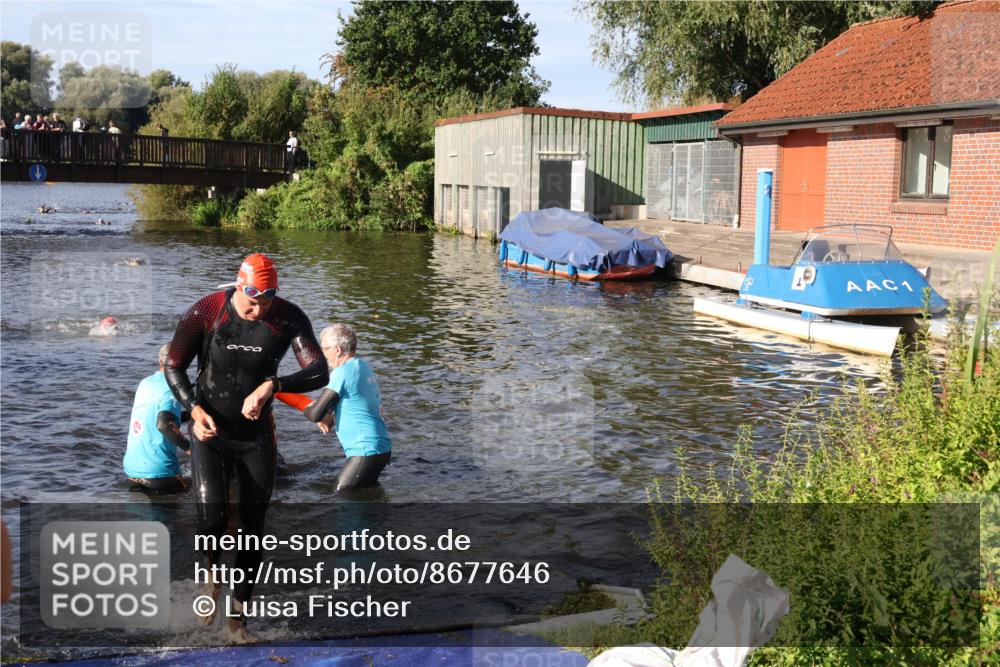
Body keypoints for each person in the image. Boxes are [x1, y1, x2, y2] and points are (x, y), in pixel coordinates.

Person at [164, 252, 328, 643]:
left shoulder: (288, 317)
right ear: (239, 286)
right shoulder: (207, 310)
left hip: (256, 435)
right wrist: (193, 407)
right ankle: (211, 577)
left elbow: (319, 370)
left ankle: (238, 621)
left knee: (254, 531)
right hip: (209, 430)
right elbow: (174, 365)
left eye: (266, 302)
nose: (258, 310)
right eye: (252, 301)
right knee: (213, 518)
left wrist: (275, 385)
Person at [303, 324, 392, 491]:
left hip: (365, 451)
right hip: (381, 449)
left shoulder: (341, 372)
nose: (323, 355)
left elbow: (315, 414)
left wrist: (305, 405)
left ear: (337, 349)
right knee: (367, 500)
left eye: (324, 349)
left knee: (342, 496)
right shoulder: (362, 367)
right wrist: (331, 419)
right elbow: (356, 405)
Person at [124, 345, 190, 495]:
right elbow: (164, 424)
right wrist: (191, 449)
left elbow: (158, 416)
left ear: (159, 360)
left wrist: (193, 414)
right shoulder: (171, 388)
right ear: (181, 364)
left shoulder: (145, 383)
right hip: (160, 474)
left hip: (132, 471)